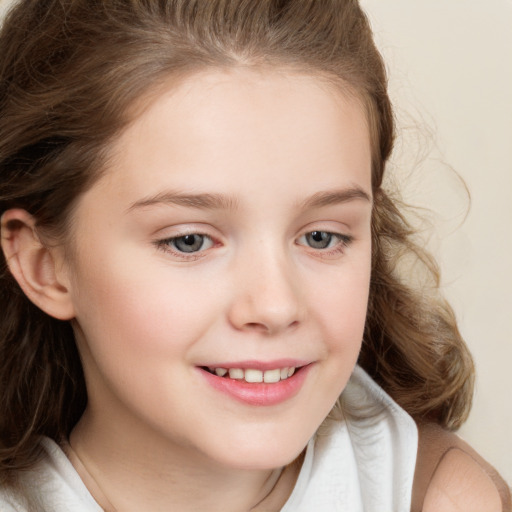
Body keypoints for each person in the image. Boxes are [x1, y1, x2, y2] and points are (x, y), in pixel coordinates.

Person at [0, 0, 509, 510]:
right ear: (45, 265)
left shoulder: (441, 497)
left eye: (321, 237)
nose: (275, 306)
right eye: (189, 241)